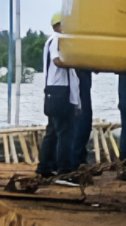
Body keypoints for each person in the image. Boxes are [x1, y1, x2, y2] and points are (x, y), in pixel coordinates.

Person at [37, 14, 80, 178]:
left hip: (52, 91)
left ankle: (44, 167)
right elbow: (57, 60)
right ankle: (64, 168)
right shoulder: (58, 39)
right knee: (65, 132)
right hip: (61, 91)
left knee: (53, 130)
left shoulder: (49, 41)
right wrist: (75, 62)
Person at [68, 66, 93, 169]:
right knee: (81, 121)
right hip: (76, 74)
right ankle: (74, 160)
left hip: (83, 72)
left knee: (85, 122)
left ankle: (79, 157)